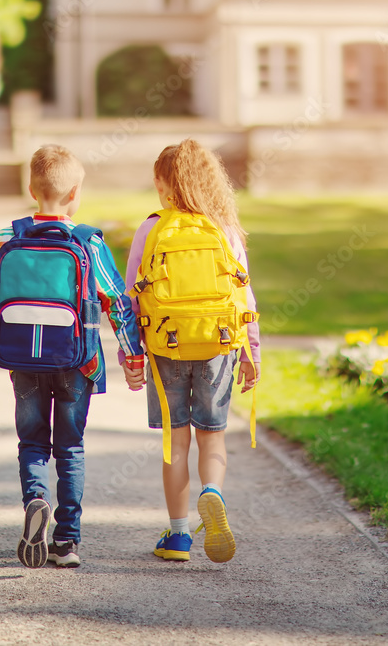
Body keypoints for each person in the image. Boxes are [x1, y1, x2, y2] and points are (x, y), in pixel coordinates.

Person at [0, 145, 145, 568]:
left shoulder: (4, 239)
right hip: (77, 362)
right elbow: (115, 303)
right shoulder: (87, 242)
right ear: (75, 194)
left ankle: (36, 500)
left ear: (31, 188)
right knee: (70, 448)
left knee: (32, 442)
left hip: (22, 360)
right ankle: (67, 541)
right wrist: (133, 358)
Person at [123, 139, 261, 563]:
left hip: (167, 345)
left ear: (165, 185)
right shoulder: (224, 229)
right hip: (218, 345)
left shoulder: (151, 229)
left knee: (176, 443)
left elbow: (131, 298)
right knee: (212, 438)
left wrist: (131, 356)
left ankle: (179, 536)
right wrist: (251, 352)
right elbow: (244, 297)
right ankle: (213, 492)